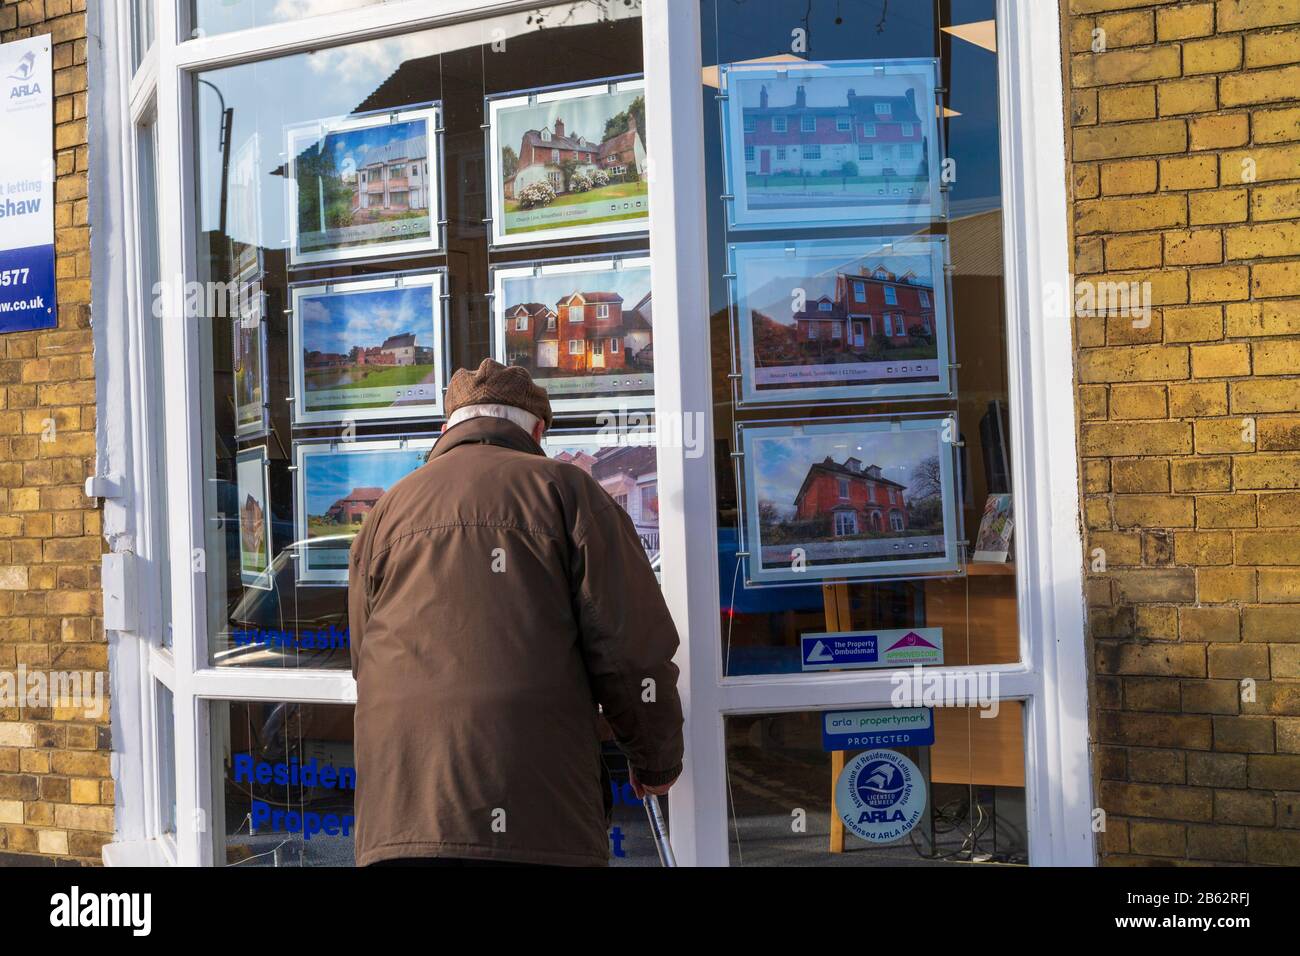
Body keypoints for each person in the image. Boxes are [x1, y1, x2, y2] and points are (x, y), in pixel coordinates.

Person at [348, 358, 684, 867]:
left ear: (447, 428)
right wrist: (655, 760)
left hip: (400, 811)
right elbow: (630, 652)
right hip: (537, 811)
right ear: (538, 429)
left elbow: (363, 659)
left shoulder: (387, 512)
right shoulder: (568, 492)